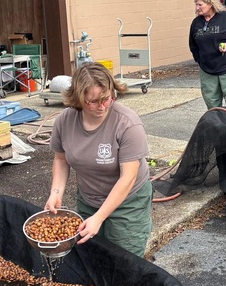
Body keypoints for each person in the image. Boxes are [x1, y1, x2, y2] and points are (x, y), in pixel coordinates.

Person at [45, 63, 153, 257]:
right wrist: (56, 192)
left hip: (128, 201)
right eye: (93, 101)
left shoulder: (127, 124)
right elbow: (61, 159)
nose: (102, 106)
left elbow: (127, 178)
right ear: (79, 99)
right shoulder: (64, 121)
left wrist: (99, 217)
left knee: (124, 259)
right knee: (94, 255)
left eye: (107, 98)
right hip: (89, 198)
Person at [189, 0, 226, 109]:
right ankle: (218, 126)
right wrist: (200, 60)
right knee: (211, 103)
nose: (197, 8)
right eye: (196, 5)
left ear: (210, 4)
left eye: (200, 5)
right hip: (207, 69)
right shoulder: (196, 23)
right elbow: (193, 45)